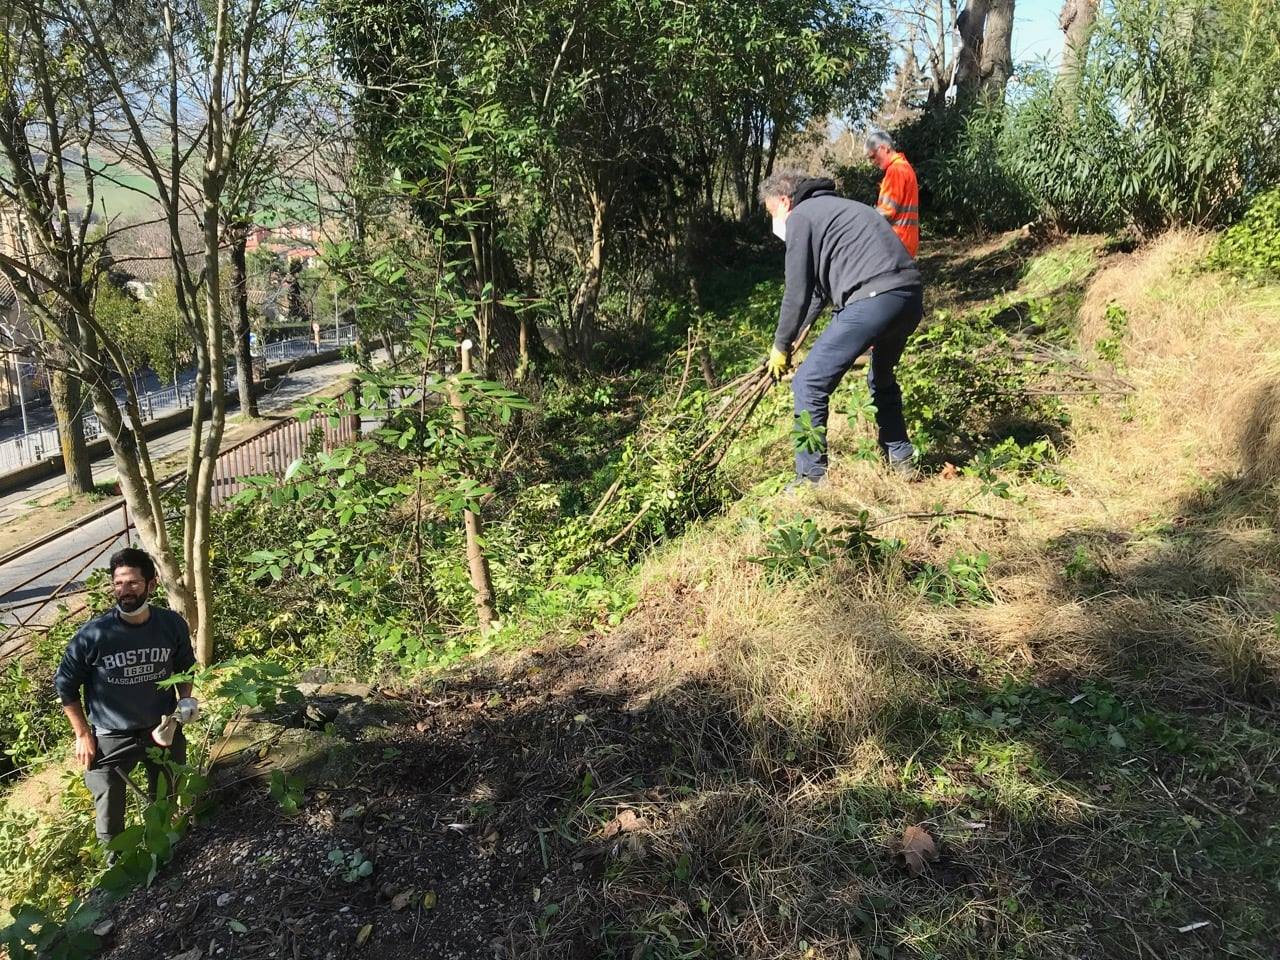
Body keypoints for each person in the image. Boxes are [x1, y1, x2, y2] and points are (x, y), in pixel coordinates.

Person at [761, 170, 924, 484]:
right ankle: (901, 456)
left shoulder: (801, 217)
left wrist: (780, 346)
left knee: (808, 384)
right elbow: (817, 293)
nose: (775, 222)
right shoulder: (842, 209)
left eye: (772, 213)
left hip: (872, 299)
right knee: (881, 376)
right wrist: (793, 338)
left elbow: (796, 291)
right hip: (908, 297)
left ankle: (810, 479)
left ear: (784, 200)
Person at [54, 547, 197, 849]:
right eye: (118, 584)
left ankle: (166, 852)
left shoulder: (170, 625)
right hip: (110, 736)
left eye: (132, 583)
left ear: (151, 584)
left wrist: (186, 700)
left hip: (162, 728)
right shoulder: (93, 635)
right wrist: (81, 734)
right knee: (108, 812)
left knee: (168, 797)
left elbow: (186, 667)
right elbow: (65, 685)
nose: (124, 591)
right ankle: (116, 873)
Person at [866, 130, 920, 257]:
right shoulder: (905, 167)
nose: (873, 162)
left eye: (873, 156)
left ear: (884, 148)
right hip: (907, 242)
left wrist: (864, 220)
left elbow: (886, 211)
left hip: (896, 243)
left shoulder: (895, 170)